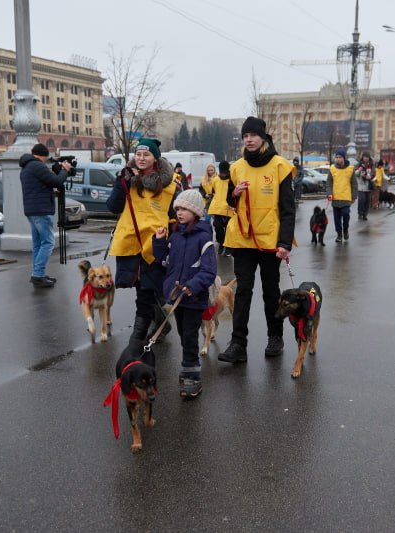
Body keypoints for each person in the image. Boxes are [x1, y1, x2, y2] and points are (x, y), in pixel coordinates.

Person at [217, 116, 295, 363]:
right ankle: (238, 343)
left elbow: (288, 209)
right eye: (245, 136)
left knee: (271, 291)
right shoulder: (237, 167)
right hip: (243, 239)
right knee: (243, 292)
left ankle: (275, 337)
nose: (248, 140)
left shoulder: (280, 165)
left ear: (263, 137)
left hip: (270, 241)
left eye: (252, 135)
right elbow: (229, 202)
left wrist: (284, 243)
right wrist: (234, 194)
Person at [106, 137, 179, 363]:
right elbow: (113, 207)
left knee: (147, 293)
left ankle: (136, 343)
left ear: (155, 158)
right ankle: (159, 324)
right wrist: (121, 182)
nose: (141, 158)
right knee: (144, 292)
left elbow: (177, 218)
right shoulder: (128, 180)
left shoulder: (170, 186)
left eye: (146, 154)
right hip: (131, 245)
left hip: (155, 247)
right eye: (138, 154)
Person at [152, 189, 217, 397]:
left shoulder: (204, 238)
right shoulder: (175, 236)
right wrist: (160, 241)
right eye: (178, 208)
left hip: (194, 297)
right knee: (183, 335)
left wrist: (194, 285)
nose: (179, 213)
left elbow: (209, 270)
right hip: (177, 296)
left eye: (185, 209)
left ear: (196, 212)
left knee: (189, 337)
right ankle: (188, 369)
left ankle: (192, 377)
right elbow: (165, 262)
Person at [19, 142, 72, 288]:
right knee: (48, 242)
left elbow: (37, 189)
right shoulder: (37, 165)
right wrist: (65, 170)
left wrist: (51, 193)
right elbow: (56, 181)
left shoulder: (26, 167)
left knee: (38, 243)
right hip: (41, 211)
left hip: (32, 210)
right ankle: (37, 275)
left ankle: (38, 273)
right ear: (43, 156)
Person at [326, 148, 357, 243]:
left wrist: (354, 196)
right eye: (336, 157)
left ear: (344, 158)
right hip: (335, 198)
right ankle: (339, 234)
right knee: (337, 218)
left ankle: (346, 230)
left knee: (346, 214)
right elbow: (329, 183)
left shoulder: (351, 169)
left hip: (346, 197)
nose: (338, 159)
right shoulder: (332, 169)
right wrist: (329, 194)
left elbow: (354, 184)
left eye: (340, 157)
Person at [207, 160, 233, 255]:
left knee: (229, 229)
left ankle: (229, 247)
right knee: (218, 227)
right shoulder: (215, 180)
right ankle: (221, 243)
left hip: (229, 209)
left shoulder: (232, 180)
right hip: (217, 208)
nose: (223, 175)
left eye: (225, 173)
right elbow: (213, 193)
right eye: (222, 172)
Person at [355, 152, 374, 220]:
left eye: (367, 157)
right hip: (360, 186)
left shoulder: (371, 165)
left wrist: (366, 176)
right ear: (362, 157)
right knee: (361, 200)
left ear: (369, 158)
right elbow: (355, 174)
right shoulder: (358, 164)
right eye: (364, 157)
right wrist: (359, 171)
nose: (366, 158)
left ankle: (365, 214)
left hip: (368, 186)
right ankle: (360, 213)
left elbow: (372, 175)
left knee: (367, 201)